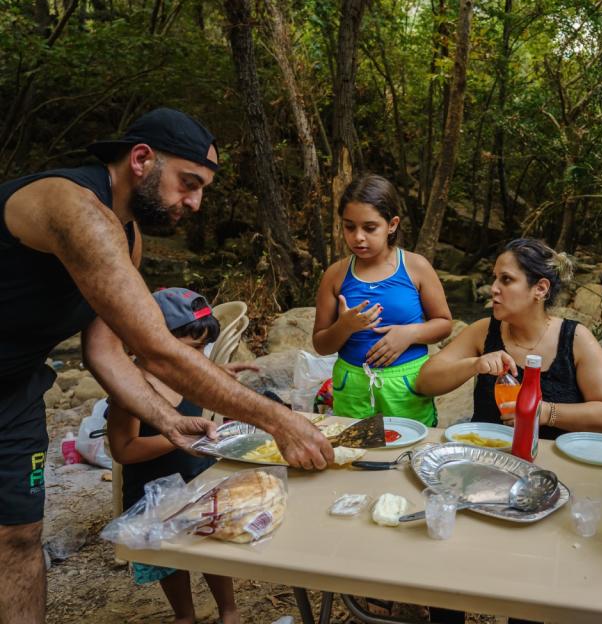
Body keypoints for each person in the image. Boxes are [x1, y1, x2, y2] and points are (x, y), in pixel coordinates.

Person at [0, 108, 333, 622]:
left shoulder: (126, 237)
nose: (195, 203)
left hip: (15, 388)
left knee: (20, 535)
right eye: (189, 183)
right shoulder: (75, 208)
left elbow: (105, 351)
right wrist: (277, 419)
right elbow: (156, 347)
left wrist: (168, 417)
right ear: (141, 159)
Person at [108, 288, 240, 624]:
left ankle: (229, 610)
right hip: (151, 493)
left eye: (203, 348)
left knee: (211, 547)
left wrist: (220, 375)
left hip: (199, 479)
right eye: (192, 348)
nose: (199, 356)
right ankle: (185, 614)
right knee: (168, 558)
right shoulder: (132, 388)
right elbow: (123, 449)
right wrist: (177, 438)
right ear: (154, 340)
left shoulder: (186, 372)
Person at [417, 238, 602, 439]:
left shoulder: (576, 338)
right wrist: (474, 364)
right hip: (486, 454)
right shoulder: (483, 330)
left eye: (506, 279)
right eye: (495, 278)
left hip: (551, 464)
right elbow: (425, 383)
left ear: (540, 288)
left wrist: (545, 413)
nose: (494, 288)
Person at [312, 174, 453, 425]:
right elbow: (321, 345)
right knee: (355, 455)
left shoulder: (415, 267)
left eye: (369, 227)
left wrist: (410, 334)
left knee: (407, 454)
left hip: (407, 387)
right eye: (349, 226)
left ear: (392, 224)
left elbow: (444, 323)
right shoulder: (335, 275)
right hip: (353, 387)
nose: (358, 237)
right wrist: (345, 326)